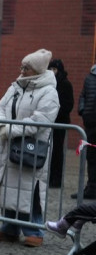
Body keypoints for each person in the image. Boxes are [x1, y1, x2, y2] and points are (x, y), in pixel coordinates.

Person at [0, 48, 59, 247]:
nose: (22, 70)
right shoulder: (17, 86)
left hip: (31, 147)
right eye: (22, 66)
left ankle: (34, 230)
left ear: (36, 70)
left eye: (26, 67)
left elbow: (40, 120)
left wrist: (9, 130)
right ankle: (9, 228)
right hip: (9, 145)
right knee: (9, 188)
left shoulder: (49, 92)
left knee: (30, 189)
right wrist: (0, 125)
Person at [49, 59, 74, 189]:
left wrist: (56, 113)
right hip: (49, 121)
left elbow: (68, 104)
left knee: (57, 151)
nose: (52, 72)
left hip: (60, 122)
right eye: (51, 69)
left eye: (55, 69)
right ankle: (49, 177)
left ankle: (56, 179)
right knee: (49, 150)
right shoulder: (49, 85)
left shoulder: (65, 84)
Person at [78, 62, 96, 200]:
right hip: (90, 122)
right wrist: (83, 111)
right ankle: (91, 187)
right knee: (91, 156)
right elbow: (83, 95)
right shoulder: (90, 76)